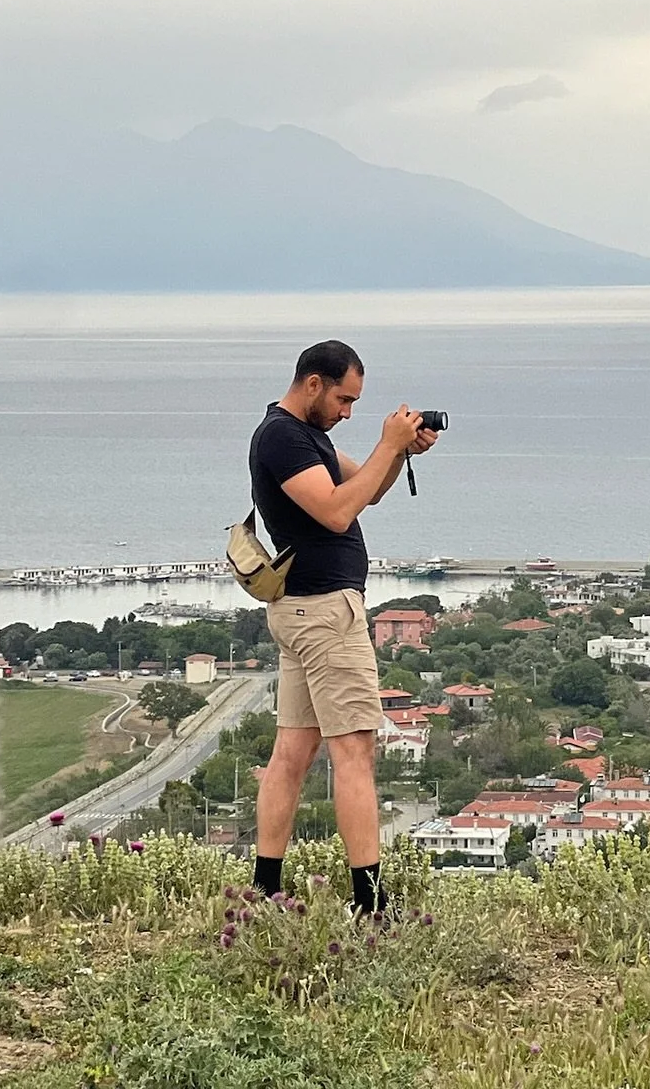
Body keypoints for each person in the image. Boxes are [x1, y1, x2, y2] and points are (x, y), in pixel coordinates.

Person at [248, 338, 437, 915]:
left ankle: (265, 889)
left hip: (306, 612)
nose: (347, 412)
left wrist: (401, 452)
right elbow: (336, 511)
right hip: (325, 614)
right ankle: (370, 902)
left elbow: (368, 492)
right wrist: (386, 441)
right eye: (344, 399)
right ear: (313, 384)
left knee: (293, 753)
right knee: (355, 751)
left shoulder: (307, 438)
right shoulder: (281, 437)